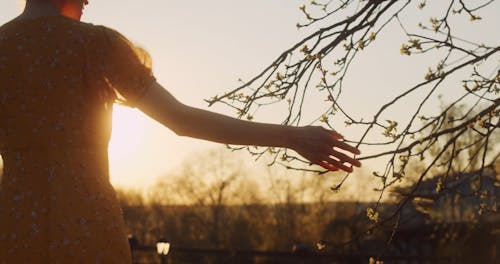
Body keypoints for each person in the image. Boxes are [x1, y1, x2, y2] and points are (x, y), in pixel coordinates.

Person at [0, 0, 361, 262]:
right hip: (88, 225)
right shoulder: (96, 43)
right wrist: (289, 136)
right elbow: (181, 119)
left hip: (11, 228)